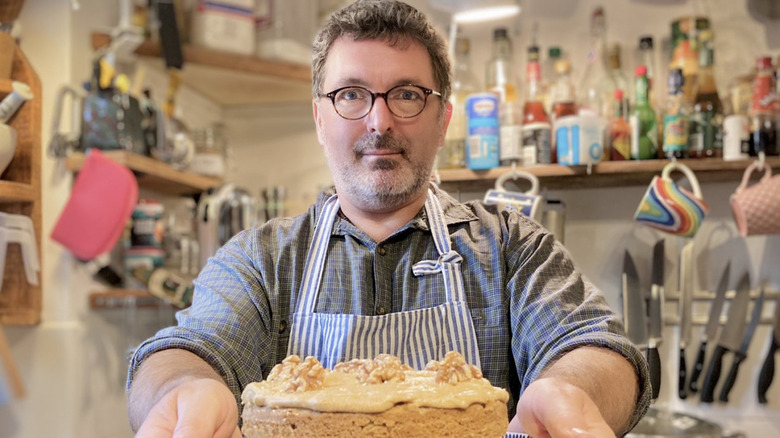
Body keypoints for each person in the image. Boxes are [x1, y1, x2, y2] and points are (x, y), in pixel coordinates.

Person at [126, 1, 651, 437]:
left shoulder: (513, 247)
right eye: (351, 94)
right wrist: (180, 392)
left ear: (443, 119)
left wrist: (572, 392)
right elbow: (190, 349)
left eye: (407, 95)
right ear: (319, 117)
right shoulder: (261, 260)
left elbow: (593, 345)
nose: (379, 122)